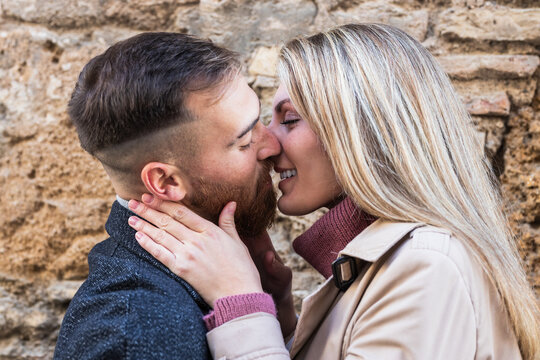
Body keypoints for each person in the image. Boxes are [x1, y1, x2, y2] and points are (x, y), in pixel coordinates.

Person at [127, 24, 540, 359]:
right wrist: (281, 317)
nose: (267, 145)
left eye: (288, 119)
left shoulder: (427, 267)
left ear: (359, 133)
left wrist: (240, 301)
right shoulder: (390, 263)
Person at [54, 32, 289, 359]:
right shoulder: (141, 334)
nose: (273, 146)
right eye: (245, 141)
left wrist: (279, 313)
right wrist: (245, 303)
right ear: (165, 181)